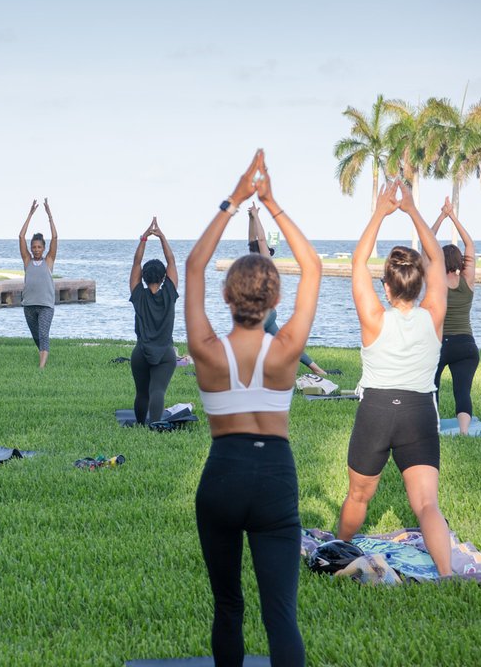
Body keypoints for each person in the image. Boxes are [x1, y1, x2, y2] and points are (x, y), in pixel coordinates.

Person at [185, 150, 318, 667]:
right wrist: (272, 203)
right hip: (273, 476)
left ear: (226, 295)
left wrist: (233, 199)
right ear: (274, 297)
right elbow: (312, 267)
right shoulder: (285, 350)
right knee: (280, 612)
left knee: (227, 606)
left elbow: (195, 265)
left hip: (223, 474)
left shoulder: (206, 350)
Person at [336, 180, 453, 577]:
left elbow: (357, 262)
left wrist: (381, 213)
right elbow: (436, 259)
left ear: (386, 287)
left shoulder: (374, 318)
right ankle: (448, 576)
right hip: (419, 411)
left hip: (378, 411)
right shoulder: (433, 313)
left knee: (358, 495)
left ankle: (341, 553)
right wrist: (413, 210)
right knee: (426, 505)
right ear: (420, 286)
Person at [247, 204, 337, 379]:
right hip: (268, 314)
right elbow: (253, 239)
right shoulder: (255, 260)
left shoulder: (263, 263)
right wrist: (251, 218)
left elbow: (261, 240)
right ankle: (317, 369)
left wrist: (256, 216)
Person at [430, 198, 479, 435]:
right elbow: (470, 244)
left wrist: (442, 216)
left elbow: (426, 241)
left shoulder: (436, 279)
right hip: (467, 345)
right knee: (462, 391)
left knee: (432, 387)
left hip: (440, 344)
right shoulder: (467, 280)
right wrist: (453, 217)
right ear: (459, 261)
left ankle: (435, 428)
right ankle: (464, 432)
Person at [129, 216, 179, 425]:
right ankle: (155, 425)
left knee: (143, 393)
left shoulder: (138, 295)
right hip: (165, 353)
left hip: (141, 352)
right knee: (157, 389)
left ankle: (140, 423)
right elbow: (172, 262)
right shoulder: (169, 292)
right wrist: (162, 237)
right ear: (164, 277)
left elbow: (136, 263)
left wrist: (144, 238)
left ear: (144, 277)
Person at [18, 198, 58, 368]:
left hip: (46, 305)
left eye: (39, 247)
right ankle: (43, 353)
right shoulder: (27, 260)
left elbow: (55, 236)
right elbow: (21, 236)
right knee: (36, 336)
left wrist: (49, 215)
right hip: (29, 305)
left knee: (43, 334)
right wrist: (30, 214)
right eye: (33, 247)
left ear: (44, 248)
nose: (35, 250)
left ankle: (41, 367)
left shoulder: (48, 260)